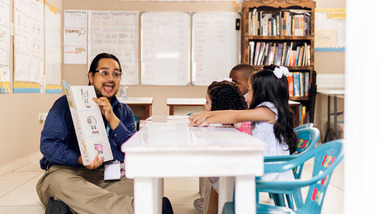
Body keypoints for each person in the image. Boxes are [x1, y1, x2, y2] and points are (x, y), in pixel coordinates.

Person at [36, 53, 173, 214]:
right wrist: (80, 159)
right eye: (104, 72)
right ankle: (137, 209)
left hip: (108, 176)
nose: (111, 78)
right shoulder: (65, 104)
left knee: (144, 182)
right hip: (69, 172)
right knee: (59, 183)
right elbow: (48, 144)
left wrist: (113, 119)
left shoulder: (124, 112)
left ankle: (67, 208)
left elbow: (133, 150)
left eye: (116, 74)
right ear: (91, 76)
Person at [190, 64, 297, 214]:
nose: (246, 95)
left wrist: (207, 116)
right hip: (264, 163)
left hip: (269, 168)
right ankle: (216, 209)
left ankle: (221, 209)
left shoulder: (267, 111)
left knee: (222, 173)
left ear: (263, 93)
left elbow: (236, 114)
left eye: (250, 90)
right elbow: (234, 114)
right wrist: (208, 116)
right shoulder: (268, 110)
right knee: (221, 173)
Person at [193, 80, 250, 213]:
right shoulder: (232, 121)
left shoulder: (239, 121)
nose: (204, 105)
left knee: (215, 172)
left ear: (218, 105)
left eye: (207, 101)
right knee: (215, 174)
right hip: (229, 169)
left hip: (238, 170)